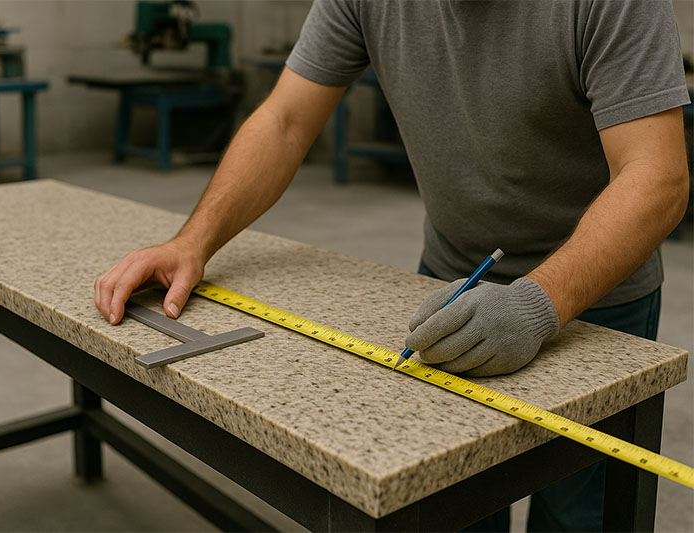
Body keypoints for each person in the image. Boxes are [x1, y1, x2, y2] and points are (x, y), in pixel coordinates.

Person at [95, 1, 689, 530]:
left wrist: (536, 304)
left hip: (594, 297)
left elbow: (656, 176)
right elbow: (285, 121)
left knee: (576, 514)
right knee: (454, 497)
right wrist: (192, 242)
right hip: (451, 281)